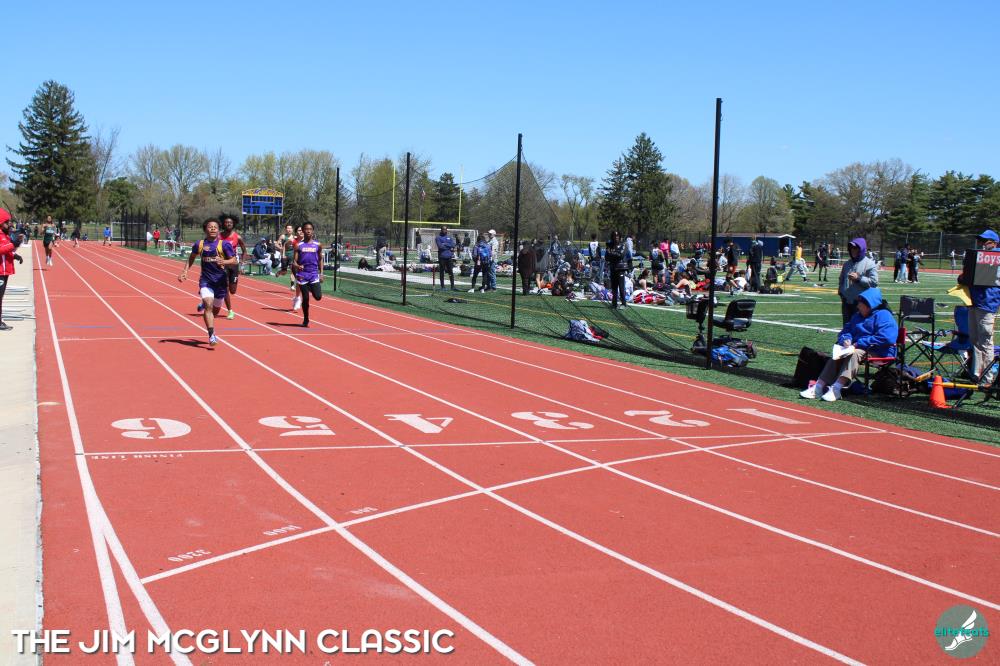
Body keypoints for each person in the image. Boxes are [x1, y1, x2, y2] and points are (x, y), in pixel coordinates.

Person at [800, 287, 898, 402]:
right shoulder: (857, 315)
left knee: (854, 353)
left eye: (860, 303)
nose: (858, 306)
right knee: (838, 353)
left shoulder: (884, 316)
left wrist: (858, 343)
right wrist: (846, 339)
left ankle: (836, 388)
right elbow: (846, 331)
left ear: (870, 305)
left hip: (880, 351)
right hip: (858, 348)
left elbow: (887, 338)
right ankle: (818, 387)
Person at [178, 218, 237, 347]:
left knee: (215, 311)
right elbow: (191, 257)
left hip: (221, 282)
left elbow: (234, 260)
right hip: (206, 281)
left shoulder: (224, 245)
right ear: (205, 229)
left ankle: (207, 312)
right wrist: (185, 271)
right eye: (210, 227)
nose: (213, 229)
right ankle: (211, 335)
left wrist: (224, 261)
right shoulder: (199, 244)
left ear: (218, 230)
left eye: (215, 227)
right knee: (208, 305)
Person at [958, 230, 1000, 384]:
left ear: (994, 243)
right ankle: (977, 374)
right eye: (980, 241)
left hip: (987, 304)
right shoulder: (979, 256)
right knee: (975, 340)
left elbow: (983, 278)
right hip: (974, 302)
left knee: (985, 342)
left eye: (985, 241)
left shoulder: (996, 257)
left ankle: (987, 378)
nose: (982, 244)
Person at [837, 237, 878, 325]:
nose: (853, 250)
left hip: (861, 304)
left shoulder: (869, 264)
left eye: (855, 248)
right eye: (851, 248)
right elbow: (841, 279)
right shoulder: (847, 264)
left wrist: (859, 278)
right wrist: (841, 292)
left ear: (861, 249)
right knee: (846, 327)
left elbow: (874, 282)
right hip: (846, 302)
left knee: (859, 328)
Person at [291, 222, 324, 327]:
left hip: (314, 274)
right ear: (303, 231)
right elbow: (294, 262)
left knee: (318, 297)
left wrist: (321, 273)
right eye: (306, 229)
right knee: (305, 298)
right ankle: (306, 319)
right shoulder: (298, 245)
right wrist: (297, 266)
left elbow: (320, 259)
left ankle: (310, 287)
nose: (308, 231)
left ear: (312, 231)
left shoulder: (318, 245)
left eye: (310, 229)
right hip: (302, 275)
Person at [218, 214, 247, 320]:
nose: (228, 224)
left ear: (233, 224)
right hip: (222, 265)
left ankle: (218, 297)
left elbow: (244, 251)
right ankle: (230, 310)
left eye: (230, 222)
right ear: (223, 224)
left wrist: (242, 264)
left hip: (234, 265)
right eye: (226, 222)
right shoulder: (218, 236)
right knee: (224, 288)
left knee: (233, 291)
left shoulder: (237, 237)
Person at [0, 210, 24, 331]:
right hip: (0, 272)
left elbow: (8, 249)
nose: (9, 224)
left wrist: (15, 254)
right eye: (6, 222)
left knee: (1, 296)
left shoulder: (5, 235)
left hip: (4, 272)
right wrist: (14, 243)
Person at [606, 231, 628, 308]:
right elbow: (606, 257)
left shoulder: (623, 244)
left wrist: (612, 253)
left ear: (620, 236)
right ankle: (614, 303)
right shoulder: (609, 246)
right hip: (613, 267)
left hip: (620, 268)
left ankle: (623, 303)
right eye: (614, 236)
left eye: (617, 235)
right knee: (614, 287)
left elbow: (621, 255)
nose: (616, 237)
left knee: (621, 287)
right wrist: (614, 254)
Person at [434, 226, 457, 290]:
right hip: (442, 257)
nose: (445, 230)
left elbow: (453, 245)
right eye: (443, 229)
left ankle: (452, 286)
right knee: (442, 271)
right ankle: (442, 286)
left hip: (449, 257)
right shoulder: (438, 237)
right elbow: (440, 246)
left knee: (450, 271)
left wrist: (445, 244)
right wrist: (449, 246)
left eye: (445, 229)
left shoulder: (449, 237)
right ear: (441, 230)